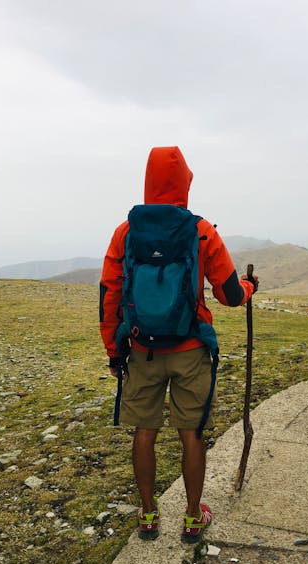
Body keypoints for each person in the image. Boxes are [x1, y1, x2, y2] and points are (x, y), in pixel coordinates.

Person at [99, 146, 258, 543]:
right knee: (191, 433)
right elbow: (229, 295)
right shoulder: (201, 230)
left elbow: (110, 295)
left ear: (148, 182)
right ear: (185, 183)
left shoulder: (126, 232)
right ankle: (191, 517)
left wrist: (113, 350)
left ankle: (149, 515)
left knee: (145, 431)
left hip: (142, 350)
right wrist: (250, 287)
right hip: (190, 351)